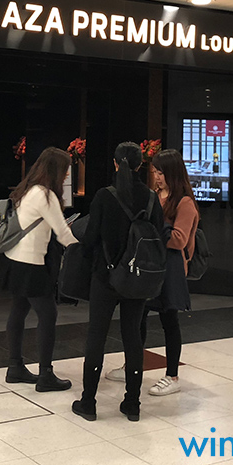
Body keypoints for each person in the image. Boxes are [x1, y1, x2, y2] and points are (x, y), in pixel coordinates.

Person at [72, 142, 166, 422]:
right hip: (137, 278)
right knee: (133, 336)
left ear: (115, 163)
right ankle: (132, 404)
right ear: (141, 164)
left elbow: (90, 238)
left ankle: (88, 402)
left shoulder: (104, 196)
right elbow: (159, 236)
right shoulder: (151, 198)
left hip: (105, 276)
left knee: (96, 336)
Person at [105, 148, 198, 396]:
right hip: (148, 265)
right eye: (155, 172)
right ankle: (132, 365)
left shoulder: (185, 202)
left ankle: (172, 375)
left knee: (169, 320)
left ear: (173, 174)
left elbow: (179, 239)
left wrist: (154, 227)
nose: (156, 177)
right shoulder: (153, 195)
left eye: (161, 173)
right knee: (139, 315)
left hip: (170, 268)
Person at [0, 146, 77, 392]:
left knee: (19, 310)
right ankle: (46, 374)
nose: (67, 174)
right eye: (66, 169)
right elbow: (62, 232)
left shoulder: (28, 189)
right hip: (32, 263)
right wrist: (83, 248)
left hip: (15, 259)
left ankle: (15, 367)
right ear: (56, 170)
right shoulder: (45, 195)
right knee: (48, 315)